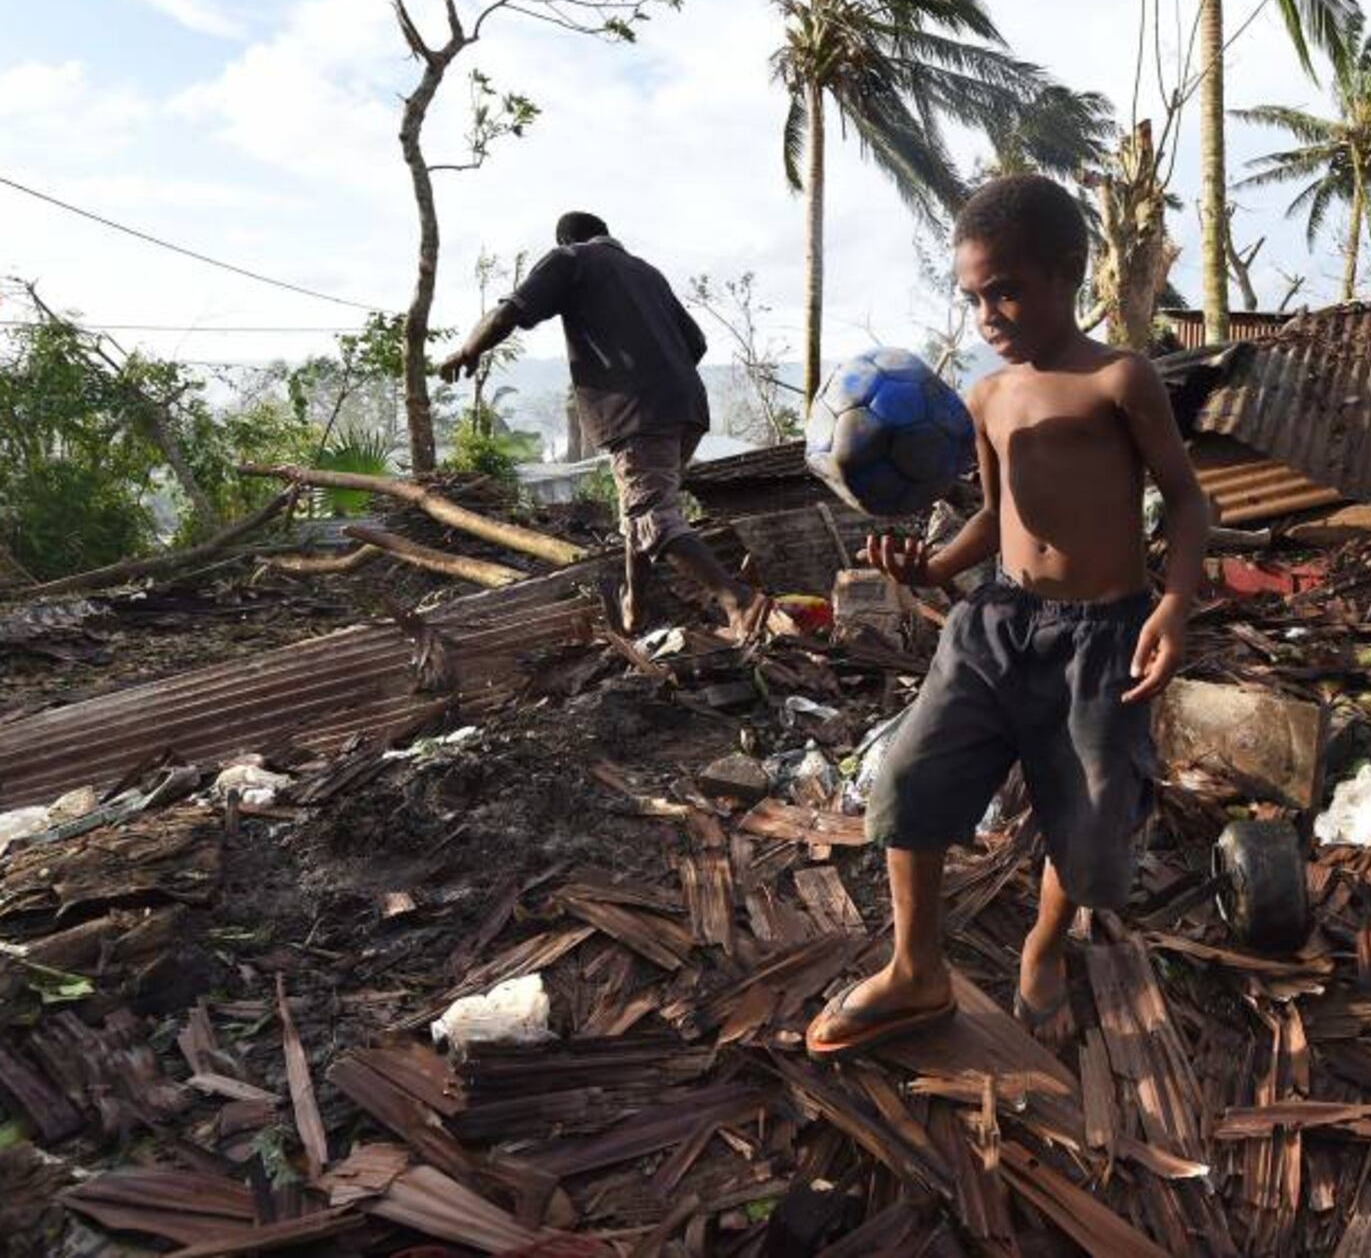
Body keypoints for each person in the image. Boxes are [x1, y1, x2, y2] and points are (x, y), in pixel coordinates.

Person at [805, 173, 1211, 1058]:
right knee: (909, 778)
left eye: (1007, 289)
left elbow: (1185, 501)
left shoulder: (1118, 379)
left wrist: (1175, 605)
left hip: (1104, 638)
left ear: (1069, 273)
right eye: (974, 296)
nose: (989, 313)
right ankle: (917, 968)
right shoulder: (985, 397)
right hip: (997, 624)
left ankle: (1041, 947)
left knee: (1093, 814)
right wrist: (933, 564)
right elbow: (993, 519)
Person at [437, 212, 766, 635]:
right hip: (686, 407)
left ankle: (737, 601)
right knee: (638, 514)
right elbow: (696, 343)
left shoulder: (570, 259)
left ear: (564, 239)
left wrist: (468, 350)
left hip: (636, 413)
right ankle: (636, 609)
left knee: (652, 516)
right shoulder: (649, 274)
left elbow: (510, 313)